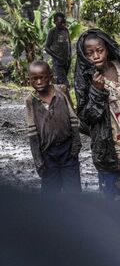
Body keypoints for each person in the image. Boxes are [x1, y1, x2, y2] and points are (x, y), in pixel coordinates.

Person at [75, 29, 120, 208]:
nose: (95, 56)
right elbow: (86, 117)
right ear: (84, 56)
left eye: (99, 50)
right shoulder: (87, 78)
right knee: (110, 197)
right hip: (109, 149)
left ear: (107, 49)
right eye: (89, 53)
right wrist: (96, 91)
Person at [26, 60, 81, 194]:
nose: (38, 82)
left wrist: (76, 143)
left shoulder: (61, 91)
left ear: (50, 77)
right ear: (29, 80)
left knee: (73, 190)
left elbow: (73, 117)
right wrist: (38, 160)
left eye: (42, 78)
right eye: (34, 79)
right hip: (48, 153)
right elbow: (32, 132)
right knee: (50, 192)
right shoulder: (30, 100)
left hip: (67, 149)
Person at [44, 12, 72, 88]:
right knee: (65, 84)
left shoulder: (66, 30)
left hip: (66, 61)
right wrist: (57, 57)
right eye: (61, 23)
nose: (63, 24)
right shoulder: (52, 31)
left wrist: (69, 57)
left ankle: (59, 98)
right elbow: (46, 48)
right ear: (55, 22)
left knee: (60, 83)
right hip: (58, 62)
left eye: (64, 22)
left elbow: (69, 43)